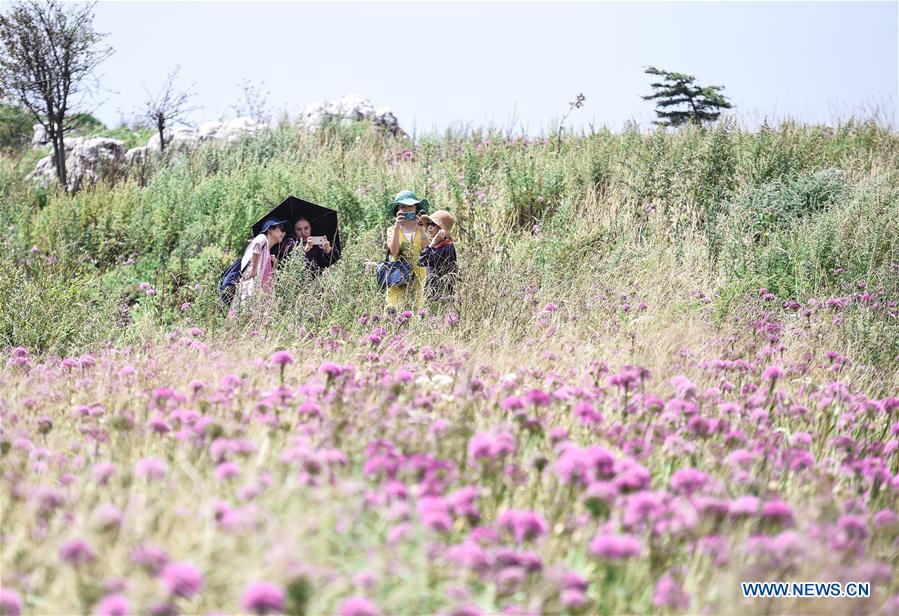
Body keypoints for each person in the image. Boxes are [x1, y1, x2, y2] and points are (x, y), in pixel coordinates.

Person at [385, 190, 428, 310]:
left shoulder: (422, 227)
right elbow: (394, 251)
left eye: (410, 206)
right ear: (398, 210)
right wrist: (397, 226)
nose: (407, 209)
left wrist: (421, 230)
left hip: (420, 274)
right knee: (394, 310)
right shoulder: (392, 229)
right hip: (399, 273)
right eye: (403, 206)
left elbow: (428, 250)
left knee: (420, 311)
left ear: (416, 208)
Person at [237, 219, 286, 302]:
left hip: (260, 295)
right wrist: (254, 270)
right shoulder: (262, 237)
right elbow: (257, 246)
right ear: (270, 229)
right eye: (281, 229)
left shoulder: (267, 252)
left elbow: (268, 278)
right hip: (250, 289)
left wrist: (275, 265)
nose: (284, 233)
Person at [418, 210, 458, 304]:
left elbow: (421, 260)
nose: (429, 227)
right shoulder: (440, 246)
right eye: (429, 224)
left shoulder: (446, 248)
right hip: (435, 295)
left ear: (441, 230)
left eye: (433, 224)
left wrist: (432, 243)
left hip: (440, 297)